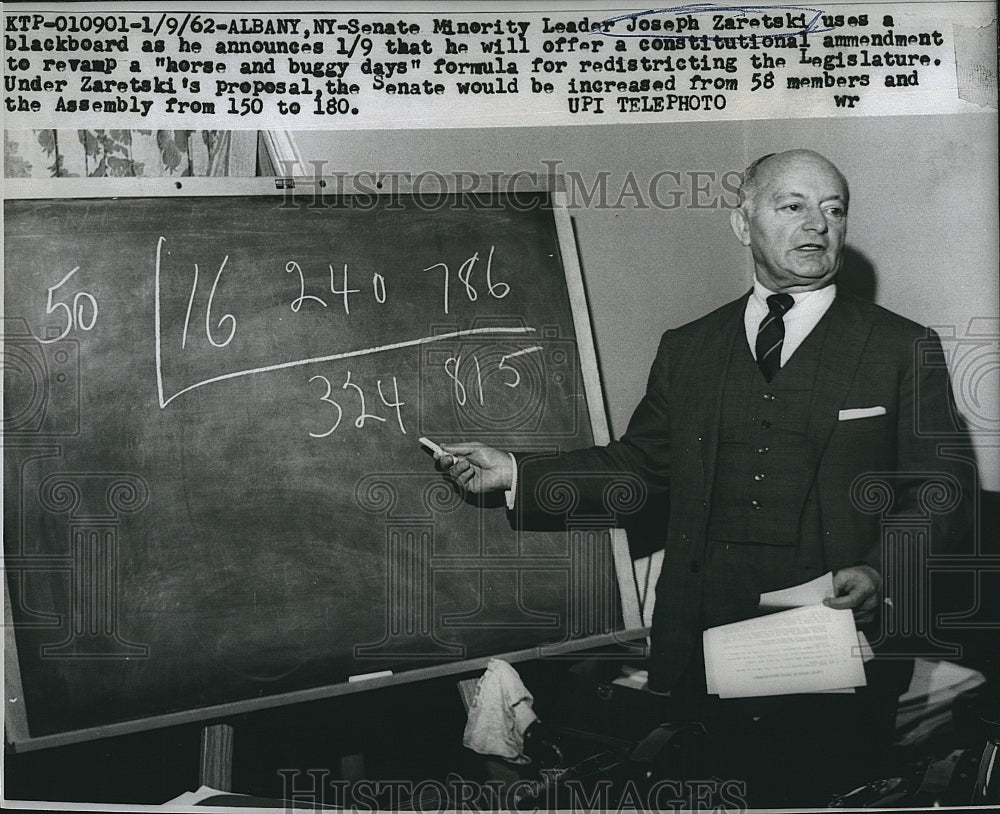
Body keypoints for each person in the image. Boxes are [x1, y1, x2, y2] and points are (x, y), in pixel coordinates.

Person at [432, 149, 975, 805]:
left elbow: (940, 488)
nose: (818, 225)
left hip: (830, 650)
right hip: (703, 647)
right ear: (743, 223)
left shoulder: (899, 346)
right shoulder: (689, 347)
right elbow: (638, 468)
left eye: (834, 209)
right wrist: (517, 472)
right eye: (793, 205)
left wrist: (883, 572)